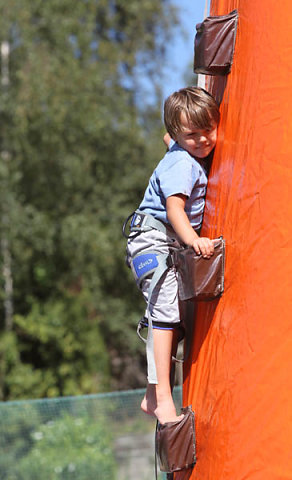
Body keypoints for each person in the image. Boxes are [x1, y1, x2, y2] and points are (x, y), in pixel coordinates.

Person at [125, 87, 220, 425]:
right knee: (165, 311)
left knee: (174, 315)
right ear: (180, 136)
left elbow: (171, 136)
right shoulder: (182, 163)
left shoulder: (181, 150)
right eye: (192, 135)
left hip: (163, 242)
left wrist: (176, 137)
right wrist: (194, 240)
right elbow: (175, 208)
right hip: (154, 241)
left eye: (208, 129)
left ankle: (152, 393)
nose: (203, 140)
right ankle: (163, 396)